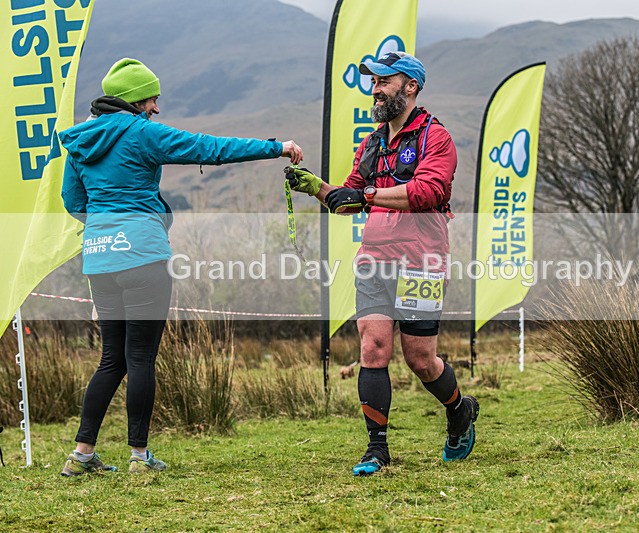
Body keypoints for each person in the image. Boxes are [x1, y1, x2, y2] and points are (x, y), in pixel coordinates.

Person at [59, 58, 303, 477]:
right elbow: (210, 148)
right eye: (153, 98)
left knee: (110, 360)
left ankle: (81, 455)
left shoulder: (80, 141)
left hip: (99, 255)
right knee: (140, 358)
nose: (156, 107)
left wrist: (107, 225)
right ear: (136, 100)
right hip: (143, 254)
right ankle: (139, 456)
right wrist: (275, 147)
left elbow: (73, 202)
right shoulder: (142, 133)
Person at [286, 52, 479, 476]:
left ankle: (460, 410)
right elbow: (350, 198)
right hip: (374, 259)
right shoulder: (372, 142)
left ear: (410, 86)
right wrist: (317, 188)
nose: (375, 89)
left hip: (423, 261)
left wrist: (368, 196)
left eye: (384, 80)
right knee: (373, 349)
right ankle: (377, 450)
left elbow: (428, 192)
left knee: (420, 359)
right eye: (373, 82)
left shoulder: (436, 137)